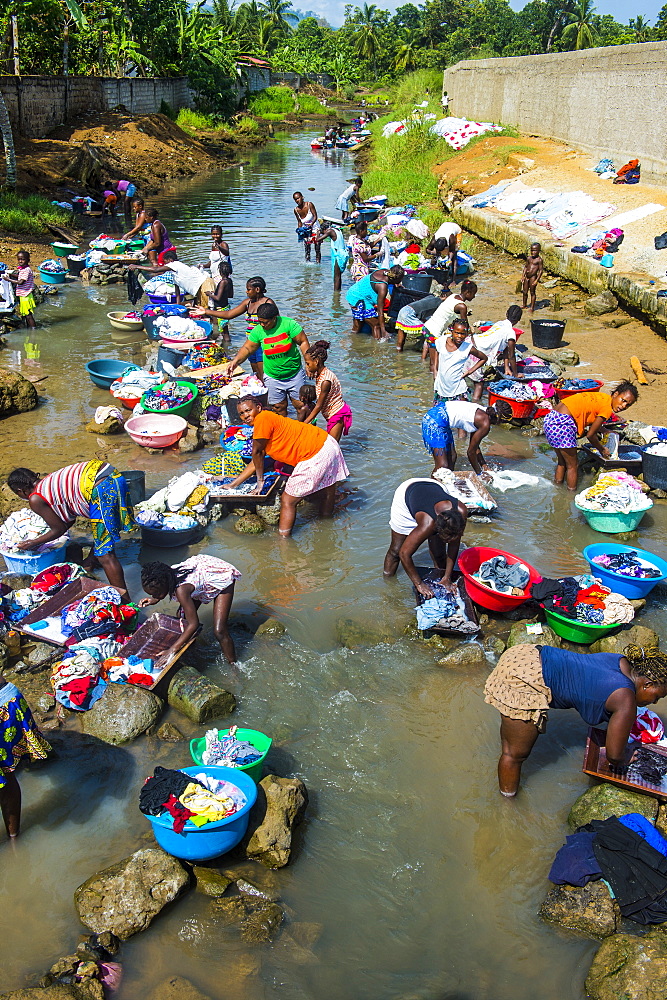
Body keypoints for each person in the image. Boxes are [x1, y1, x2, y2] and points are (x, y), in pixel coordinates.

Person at [484, 642, 667, 798]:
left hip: (526, 654)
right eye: (656, 696)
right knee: (514, 755)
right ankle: (507, 804)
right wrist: (624, 756)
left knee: (512, 741)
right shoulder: (625, 699)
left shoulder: (621, 662)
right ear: (647, 684)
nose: (654, 702)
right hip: (525, 679)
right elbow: (614, 755)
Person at [230, 396, 349, 537]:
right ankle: (326, 523)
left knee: (287, 500)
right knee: (328, 488)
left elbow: (257, 453)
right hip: (327, 443)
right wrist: (234, 484)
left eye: (248, 410)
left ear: (259, 408)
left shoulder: (262, 419)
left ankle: (284, 541)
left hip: (316, 453)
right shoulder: (269, 418)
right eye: (241, 413)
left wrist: (260, 483)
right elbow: (256, 461)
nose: (245, 416)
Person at [7, 463, 133, 592]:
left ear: (20, 491)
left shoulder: (35, 498)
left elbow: (59, 529)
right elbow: (68, 521)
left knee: (105, 554)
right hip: (114, 475)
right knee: (101, 531)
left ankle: (124, 600)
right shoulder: (50, 483)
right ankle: (89, 563)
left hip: (101, 486)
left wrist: (33, 543)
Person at [140, 556, 240, 665]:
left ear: (165, 585)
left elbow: (194, 624)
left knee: (219, 631)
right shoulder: (166, 576)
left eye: (156, 593)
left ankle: (233, 664)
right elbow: (162, 589)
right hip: (200, 577)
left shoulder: (181, 590)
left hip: (219, 576)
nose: (154, 595)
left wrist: (172, 650)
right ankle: (191, 646)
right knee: (181, 617)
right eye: (151, 594)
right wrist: (154, 599)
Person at [543, 381, 638, 489]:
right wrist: (602, 450)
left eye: (628, 404)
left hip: (551, 419)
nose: (624, 406)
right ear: (616, 394)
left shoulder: (603, 398)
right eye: (623, 400)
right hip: (563, 423)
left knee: (562, 462)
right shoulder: (607, 409)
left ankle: (557, 489)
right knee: (573, 466)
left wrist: (604, 430)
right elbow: (590, 435)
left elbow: (591, 415)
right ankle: (570, 495)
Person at [383, 478, 468, 596]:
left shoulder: (461, 511)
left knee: (439, 554)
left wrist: (447, 577)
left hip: (435, 486)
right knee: (396, 551)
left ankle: (441, 579)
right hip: (407, 493)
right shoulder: (428, 524)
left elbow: (454, 545)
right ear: (437, 529)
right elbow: (404, 554)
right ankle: (387, 584)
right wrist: (419, 584)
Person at [225, 302, 309, 416]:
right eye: (260, 322)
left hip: (294, 374)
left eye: (265, 322)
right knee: (278, 408)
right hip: (272, 376)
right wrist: (235, 361)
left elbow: (303, 342)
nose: (262, 325)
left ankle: (304, 430)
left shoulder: (289, 324)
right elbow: (248, 348)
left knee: (301, 406)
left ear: (274, 318)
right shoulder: (258, 331)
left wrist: (309, 363)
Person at [0, 675, 51, 838]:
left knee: (6, 777)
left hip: (5, 705)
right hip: (8, 700)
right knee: (6, 776)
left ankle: (14, 840)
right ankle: (14, 841)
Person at [194, 276, 274, 377]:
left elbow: (277, 324)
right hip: (250, 342)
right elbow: (229, 314)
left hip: (263, 343)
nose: (246, 292)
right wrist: (206, 311)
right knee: (256, 371)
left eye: (249, 289)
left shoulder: (268, 303)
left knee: (263, 372)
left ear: (257, 290)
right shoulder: (248, 303)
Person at [422, 399, 512, 476]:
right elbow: (470, 452)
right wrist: (479, 473)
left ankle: (447, 484)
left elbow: (475, 446)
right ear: (499, 419)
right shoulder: (485, 424)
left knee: (452, 457)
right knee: (442, 467)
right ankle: (432, 487)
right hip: (435, 422)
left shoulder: (483, 412)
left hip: (438, 415)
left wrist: (484, 465)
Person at [466, 305, 522, 401]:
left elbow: (505, 349)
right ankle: (475, 405)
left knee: (463, 377)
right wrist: (516, 374)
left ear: (506, 314)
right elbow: (512, 356)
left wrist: (506, 367)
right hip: (476, 351)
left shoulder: (500, 323)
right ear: (519, 319)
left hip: (468, 343)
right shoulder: (511, 333)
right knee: (479, 383)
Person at [302, 340, 352, 441]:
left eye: (307, 364)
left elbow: (319, 406)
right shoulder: (320, 373)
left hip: (337, 414)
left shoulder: (326, 381)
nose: (306, 367)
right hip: (331, 413)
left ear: (316, 362)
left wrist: (304, 423)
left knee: (333, 447)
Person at [131, 250, 214, 307]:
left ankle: (218, 330)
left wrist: (137, 266)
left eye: (165, 262)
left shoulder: (174, 264)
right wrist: (178, 306)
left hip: (204, 285)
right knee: (202, 309)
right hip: (201, 286)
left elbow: (156, 270)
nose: (165, 265)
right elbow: (177, 291)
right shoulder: (175, 272)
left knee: (209, 309)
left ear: (170, 260)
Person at [433, 320, 488, 405]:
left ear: (467, 334)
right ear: (452, 331)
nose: (459, 336)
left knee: (460, 414)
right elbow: (437, 350)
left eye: (463, 334)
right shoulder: (442, 340)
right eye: (456, 333)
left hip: (458, 389)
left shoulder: (467, 348)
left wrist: (469, 372)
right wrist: (435, 370)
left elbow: (484, 358)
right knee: (441, 414)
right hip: (441, 387)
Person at [346, 265, 405, 341]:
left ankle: (353, 343)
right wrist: (383, 331)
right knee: (376, 324)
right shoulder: (382, 287)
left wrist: (396, 283)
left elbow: (392, 280)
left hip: (353, 293)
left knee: (358, 326)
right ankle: (377, 348)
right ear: (395, 278)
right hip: (359, 299)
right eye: (400, 279)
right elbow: (380, 311)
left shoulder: (385, 272)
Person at [424, 280, 477, 362]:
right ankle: (432, 374)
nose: (474, 297)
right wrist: (473, 338)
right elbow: (464, 326)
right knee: (435, 362)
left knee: (430, 354)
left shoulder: (453, 296)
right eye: (473, 294)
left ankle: (423, 362)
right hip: (434, 332)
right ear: (467, 293)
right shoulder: (462, 306)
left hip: (427, 327)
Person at [395, 289, 446, 353]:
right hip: (409, 314)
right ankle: (425, 355)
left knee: (401, 336)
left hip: (403, 310)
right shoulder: (440, 303)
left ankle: (398, 352)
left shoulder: (430, 298)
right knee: (429, 333)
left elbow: (422, 311)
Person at [6, 251, 36, 329]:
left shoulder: (26, 270)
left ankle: (33, 331)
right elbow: (19, 276)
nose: (20, 261)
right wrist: (10, 274)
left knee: (28, 315)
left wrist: (8, 279)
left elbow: (20, 282)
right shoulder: (23, 269)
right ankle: (29, 328)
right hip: (25, 295)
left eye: (23, 259)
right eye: (19, 259)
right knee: (26, 314)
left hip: (25, 296)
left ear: (28, 260)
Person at [316, 225, 348, 291]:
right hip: (343, 254)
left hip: (338, 255)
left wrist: (318, 233)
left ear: (324, 229)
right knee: (338, 275)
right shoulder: (336, 230)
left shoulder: (330, 231)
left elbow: (318, 239)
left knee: (336, 276)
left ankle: (336, 295)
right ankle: (338, 292)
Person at [293, 192, 321, 263]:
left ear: (302, 197)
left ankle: (318, 265)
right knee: (307, 249)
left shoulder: (309, 205)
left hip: (315, 228)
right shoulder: (296, 210)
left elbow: (315, 216)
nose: (297, 200)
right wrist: (299, 231)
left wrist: (311, 224)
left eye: (298, 198)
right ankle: (307, 266)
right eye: (295, 199)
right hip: (306, 230)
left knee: (317, 247)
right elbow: (299, 222)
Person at [522, 243, 543, 313]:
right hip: (526, 277)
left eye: (535, 250)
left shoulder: (539, 260)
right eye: (532, 250)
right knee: (524, 291)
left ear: (539, 251)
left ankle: (532, 307)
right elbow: (525, 267)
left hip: (533, 277)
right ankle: (524, 304)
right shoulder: (529, 258)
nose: (533, 252)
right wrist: (523, 275)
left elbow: (540, 271)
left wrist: (537, 280)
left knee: (532, 292)